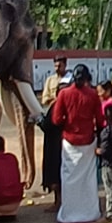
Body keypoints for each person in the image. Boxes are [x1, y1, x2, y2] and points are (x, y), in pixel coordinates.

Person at [52, 65, 105, 223]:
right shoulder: (93, 95)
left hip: (69, 141)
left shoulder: (64, 94)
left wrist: (67, 123)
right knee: (88, 179)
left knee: (68, 178)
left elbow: (56, 119)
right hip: (88, 141)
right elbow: (100, 120)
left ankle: (70, 212)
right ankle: (89, 211)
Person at [38, 54, 69, 208]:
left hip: (58, 142)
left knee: (56, 169)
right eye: (55, 65)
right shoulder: (50, 80)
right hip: (61, 140)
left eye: (60, 65)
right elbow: (44, 99)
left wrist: (38, 121)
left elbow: (48, 124)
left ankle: (59, 202)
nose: (58, 67)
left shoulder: (58, 107)